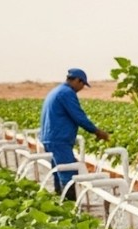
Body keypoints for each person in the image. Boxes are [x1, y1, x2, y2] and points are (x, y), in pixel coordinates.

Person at [40, 68, 111, 201]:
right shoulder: (67, 93)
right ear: (78, 80)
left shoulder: (57, 90)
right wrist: (97, 132)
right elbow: (79, 116)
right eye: (83, 84)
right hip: (59, 140)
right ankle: (70, 207)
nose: (82, 88)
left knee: (59, 173)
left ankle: (58, 203)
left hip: (51, 139)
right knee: (69, 176)